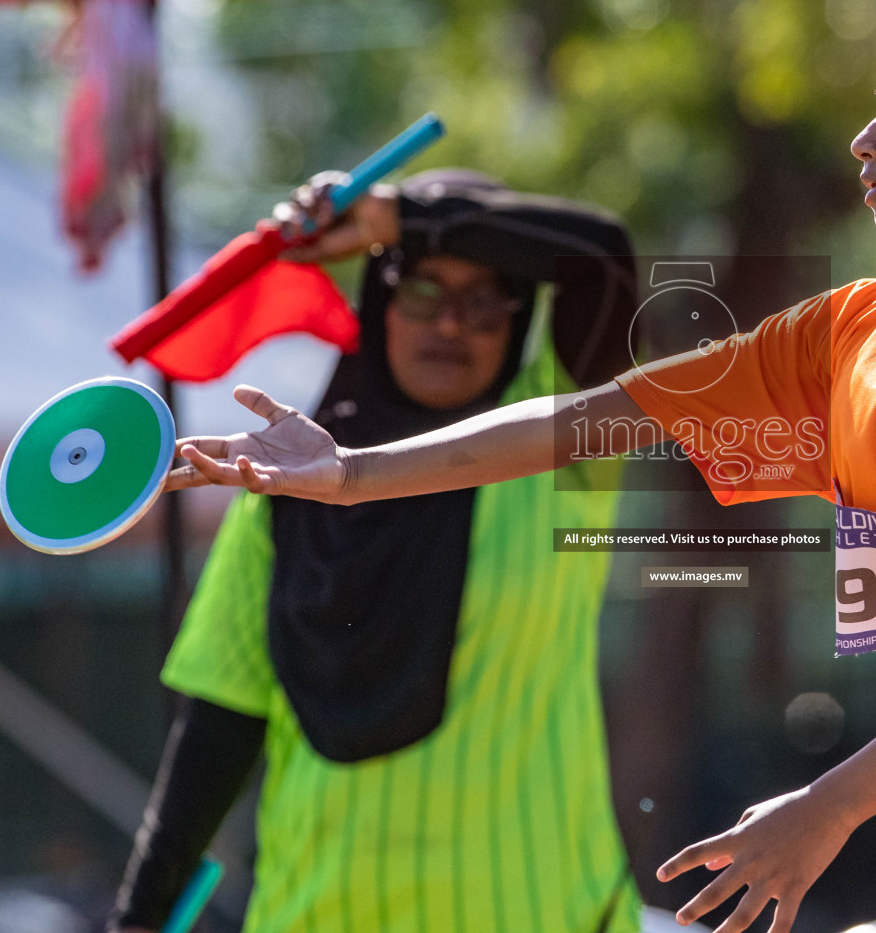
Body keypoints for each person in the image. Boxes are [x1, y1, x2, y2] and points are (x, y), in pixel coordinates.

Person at [166, 0, 876, 933]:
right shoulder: (859, 326)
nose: (862, 139)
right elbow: (599, 417)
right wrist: (351, 471)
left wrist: (824, 809)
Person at [109, 171, 645, 933]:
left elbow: (603, 257)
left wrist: (403, 220)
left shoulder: (564, 448)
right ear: (378, 306)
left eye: (486, 302)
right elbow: (217, 733)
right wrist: (137, 920)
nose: (452, 325)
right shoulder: (278, 493)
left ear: (522, 317)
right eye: (422, 292)